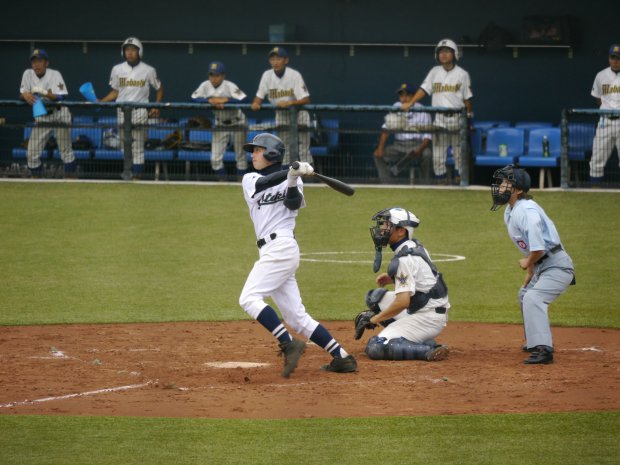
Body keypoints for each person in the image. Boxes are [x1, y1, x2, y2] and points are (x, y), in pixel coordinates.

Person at [238, 133, 357, 377]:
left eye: (257, 150)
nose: (253, 154)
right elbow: (264, 185)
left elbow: (292, 204)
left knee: (248, 298)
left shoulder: (295, 180)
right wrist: (291, 171)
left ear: (270, 152)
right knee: (296, 317)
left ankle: (288, 343)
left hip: (281, 247)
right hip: (274, 251)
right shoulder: (250, 178)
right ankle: (342, 357)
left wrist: (293, 179)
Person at [491, 165, 575, 364]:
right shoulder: (510, 212)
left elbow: (538, 249)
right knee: (524, 294)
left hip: (557, 266)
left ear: (518, 190)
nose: (501, 187)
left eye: (506, 183)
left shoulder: (526, 211)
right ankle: (534, 341)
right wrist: (531, 271)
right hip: (543, 266)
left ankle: (544, 350)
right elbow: (530, 247)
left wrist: (527, 262)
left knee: (533, 298)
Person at [353, 207, 450, 361]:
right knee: (375, 298)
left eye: (387, 225)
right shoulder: (414, 247)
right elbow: (423, 277)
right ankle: (413, 337)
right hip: (426, 306)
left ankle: (427, 350)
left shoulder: (404, 259)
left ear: (401, 231)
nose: (382, 229)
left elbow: (402, 302)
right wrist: (393, 278)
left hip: (427, 317)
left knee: (376, 346)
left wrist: (375, 319)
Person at [402, 39, 473, 184]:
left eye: (447, 51)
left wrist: (468, 121)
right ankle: (442, 185)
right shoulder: (434, 72)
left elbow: (467, 99)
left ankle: (461, 185)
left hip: (457, 120)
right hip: (440, 120)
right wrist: (411, 102)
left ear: (454, 54)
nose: (443, 54)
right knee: (438, 156)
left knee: (459, 155)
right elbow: (424, 89)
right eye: (441, 51)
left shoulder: (462, 74)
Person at [99, 37, 164, 179]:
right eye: (127, 50)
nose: (129, 52)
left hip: (140, 111)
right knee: (125, 147)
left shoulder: (148, 70)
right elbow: (115, 91)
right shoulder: (117, 69)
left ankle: (137, 177)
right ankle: (128, 174)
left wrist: (156, 106)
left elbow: (159, 89)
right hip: (122, 111)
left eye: (133, 49)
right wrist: (101, 101)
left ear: (139, 51)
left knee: (138, 147)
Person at [19, 49, 76, 178]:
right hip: (42, 116)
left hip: (59, 114)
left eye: (40, 61)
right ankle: (37, 181)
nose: (36, 64)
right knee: (31, 152)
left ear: (46, 63)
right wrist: (25, 95)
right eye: (34, 61)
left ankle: (71, 181)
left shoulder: (55, 74)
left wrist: (44, 92)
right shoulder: (28, 74)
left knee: (65, 151)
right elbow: (22, 94)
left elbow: (62, 97)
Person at [251, 47, 312, 165]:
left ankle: (308, 178)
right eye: (272, 59)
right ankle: (286, 179)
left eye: (279, 58)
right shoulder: (267, 75)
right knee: (284, 149)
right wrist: (256, 103)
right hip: (281, 114)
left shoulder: (294, 75)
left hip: (299, 114)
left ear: (286, 60)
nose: (275, 62)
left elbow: (306, 99)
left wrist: (289, 103)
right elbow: (258, 97)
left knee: (304, 150)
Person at [191, 61, 248, 180]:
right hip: (220, 123)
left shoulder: (229, 85)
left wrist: (225, 100)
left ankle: (241, 183)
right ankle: (223, 182)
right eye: (211, 75)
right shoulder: (205, 85)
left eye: (217, 75)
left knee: (240, 155)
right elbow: (193, 98)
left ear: (223, 76)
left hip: (237, 122)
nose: (214, 78)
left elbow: (243, 99)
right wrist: (209, 100)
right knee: (215, 158)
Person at [373, 83, 432, 184]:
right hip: (398, 146)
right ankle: (387, 185)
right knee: (378, 155)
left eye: (407, 95)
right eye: (401, 95)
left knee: (427, 154)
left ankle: (425, 185)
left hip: (417, 145)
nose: (403, 98)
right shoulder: (396, 107)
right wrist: (380, 148)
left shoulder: (423, 110)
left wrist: (419, 150)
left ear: (413, 96)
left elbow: (427, 138)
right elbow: (386, 129)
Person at [589, 44, 620, 184]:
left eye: (618, 58)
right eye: (613, 57)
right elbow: (598, 98)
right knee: (596, 160)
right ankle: (595, 191)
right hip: (605, 121)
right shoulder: (601, 75)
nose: (615, 61)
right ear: (609, 58)